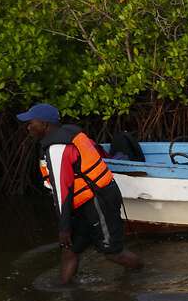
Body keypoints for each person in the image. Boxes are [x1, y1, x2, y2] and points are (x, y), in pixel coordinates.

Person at [16, 103, 143, 284]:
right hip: (85, 202)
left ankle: (142, 275)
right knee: (70, 250)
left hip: (97, 200)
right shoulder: (69, 133)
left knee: (113, 252)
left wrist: (64, 227)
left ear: (45, 125)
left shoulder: (57, 148)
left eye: (31, 123)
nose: (28, 127)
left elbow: (62, 191)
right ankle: (64, 292)